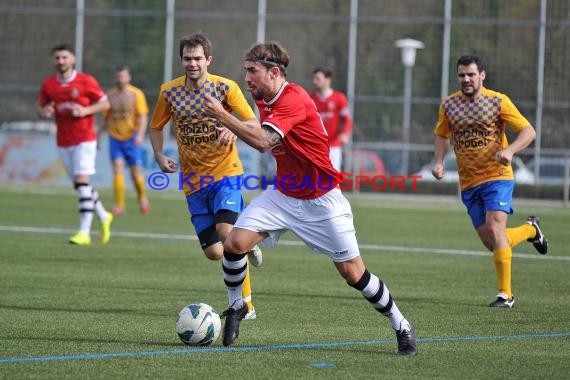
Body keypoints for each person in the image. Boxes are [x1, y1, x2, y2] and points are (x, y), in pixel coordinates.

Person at [202, 41, 418, 355]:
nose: (246, 78)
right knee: (233, 245)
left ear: (274, 72)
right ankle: (237, 307)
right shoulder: (265, 98)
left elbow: (265, 141)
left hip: (322, 200)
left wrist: (223, 116)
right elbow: (258, 128)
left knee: (354, 274)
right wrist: (238, 126)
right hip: (283, 194)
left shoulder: (293, 98)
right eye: (245, 70)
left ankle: (401, 325)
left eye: (252, 71)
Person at [149, 32, 262, 319]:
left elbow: (252, 119)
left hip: (226, 172)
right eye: (187, 58)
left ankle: (244, 304)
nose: (192, 63)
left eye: (198, 58)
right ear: (181, 61)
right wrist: (160, 155)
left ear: (208, 60)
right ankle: (248, 238)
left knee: (227, 235)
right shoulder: (169, 92)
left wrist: (232, 127)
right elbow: (156, 126)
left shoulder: (225, 88)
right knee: (214, 252)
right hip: (193, 181)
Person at [432, 55, 549, 308]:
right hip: (469, 183)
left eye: (471, 74)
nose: (466, 79)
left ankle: (506, 295)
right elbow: (442, 135)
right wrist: (439, 162)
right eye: (462, 75)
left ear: (482, 75)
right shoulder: (449, 105)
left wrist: (510, 151)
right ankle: (531, 230)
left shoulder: (498, 101)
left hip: (498, 176)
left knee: (496, 231)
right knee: (491, 241)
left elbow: (529, 131)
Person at [36, 43, 113, 246]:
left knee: (81, 183)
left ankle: (84, 232)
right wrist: (44, 111)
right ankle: (104, 215)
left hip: (85, 138)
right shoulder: (49, 85)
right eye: (57, 58)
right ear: (54, 60)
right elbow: (41, 105)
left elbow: (105, 103)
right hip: (63, 141)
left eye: (64, 57)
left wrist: (86, 111)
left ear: (73, 59)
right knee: (82, 186)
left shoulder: (86, 81)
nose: (61, 61)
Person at [99, 65, 150, 216]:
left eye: (123, 76)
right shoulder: (110, 95)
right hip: (115, 137)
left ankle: (142, 198)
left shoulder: (136, 94)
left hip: (132, 137)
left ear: (129, 78)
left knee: (135, 173)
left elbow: (142, 116)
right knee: (117, 169)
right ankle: (119, 205)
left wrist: (140, 134)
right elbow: (105, 117)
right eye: (118, 76)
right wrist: (97, 134)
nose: (120, 79)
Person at [310, 67, 352, 171]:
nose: (314, 82)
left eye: (318, 79)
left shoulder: (339, 98)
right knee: (313, 179)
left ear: (328, 80)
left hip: (333, 147)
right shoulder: (310, 99)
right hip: (315, 147)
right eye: (314, 79)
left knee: (332, 180)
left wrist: (345, 134)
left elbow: (347, 120)